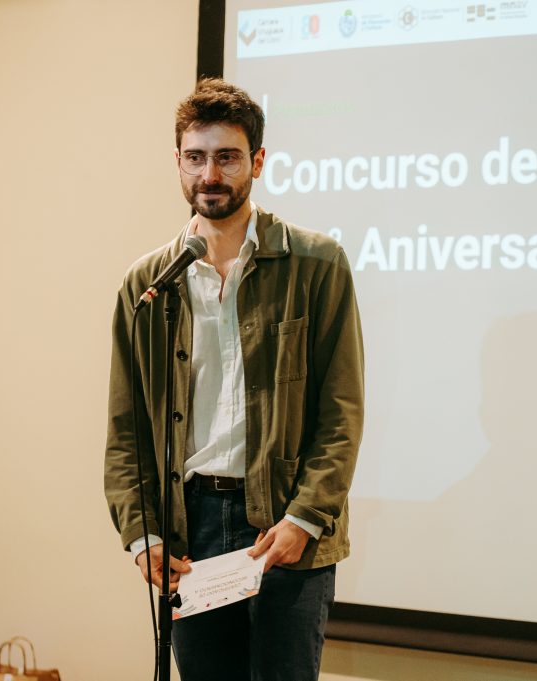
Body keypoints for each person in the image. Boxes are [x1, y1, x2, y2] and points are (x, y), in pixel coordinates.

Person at [104, 78, 364, 681]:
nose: (210, 175)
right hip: (188, 527)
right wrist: (142, 533)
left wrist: (304, 519)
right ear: (177, 162)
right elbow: (126, 430)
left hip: (282, 523)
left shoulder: (317, 264)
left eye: (227, 156)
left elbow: (341, 412)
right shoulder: (147, 283)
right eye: (195, 157)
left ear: (258, 162)